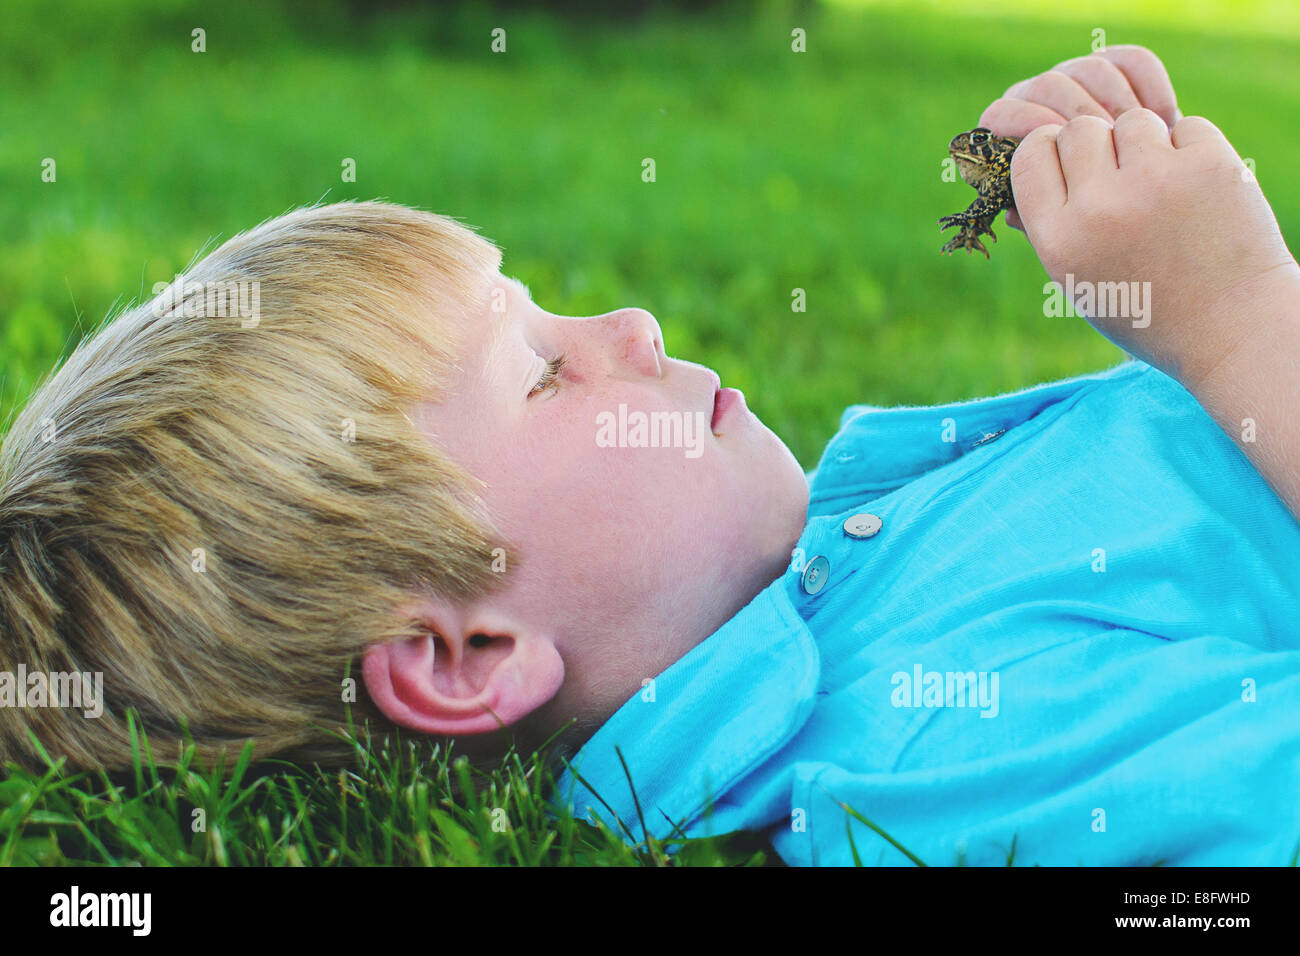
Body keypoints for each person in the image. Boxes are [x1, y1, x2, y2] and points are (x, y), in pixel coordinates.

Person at [2, 46, 1296, 865]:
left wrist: (1154, 273)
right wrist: (1236, 315)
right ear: (468, 658)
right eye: (543, 371)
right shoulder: (923, 757)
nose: (630, 326)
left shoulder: (841, 571)